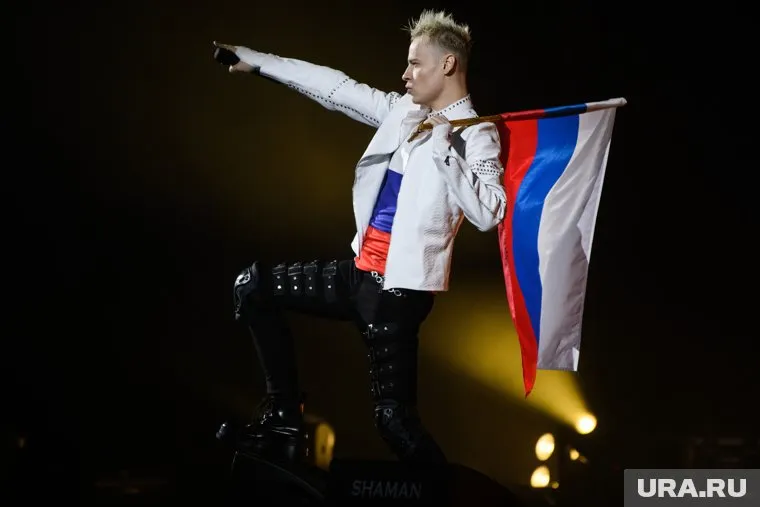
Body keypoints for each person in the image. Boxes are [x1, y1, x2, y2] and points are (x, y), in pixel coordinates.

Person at [214, 9, 507, 464]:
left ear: (448, 65)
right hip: (358, 275)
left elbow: (490, 212)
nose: (405, 74)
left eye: (415, 64)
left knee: (394, 422)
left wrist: (446, 150)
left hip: (398, 295)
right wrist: (258, 62)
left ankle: (445, 491)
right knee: (252, 286)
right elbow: (336, 88)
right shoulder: (404, 112)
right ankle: (284, 418)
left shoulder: (477, 134)